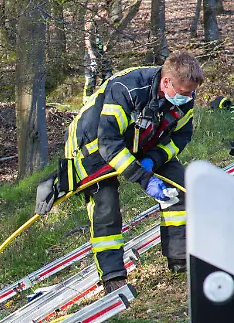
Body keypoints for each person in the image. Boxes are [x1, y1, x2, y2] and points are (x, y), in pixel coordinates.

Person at [37, 52, 203, 294]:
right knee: (106, 205)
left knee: (179, 187)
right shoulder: (127, 89)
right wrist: (143, 177)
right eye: (184, 92)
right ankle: (113, 278)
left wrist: (152, 160)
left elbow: (180, 136)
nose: (188, 98)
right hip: (94, 144)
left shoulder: (185, 95)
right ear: (166, 82)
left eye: (191, 93)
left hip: (142, 143)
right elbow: (109, 143)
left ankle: (180, 259)